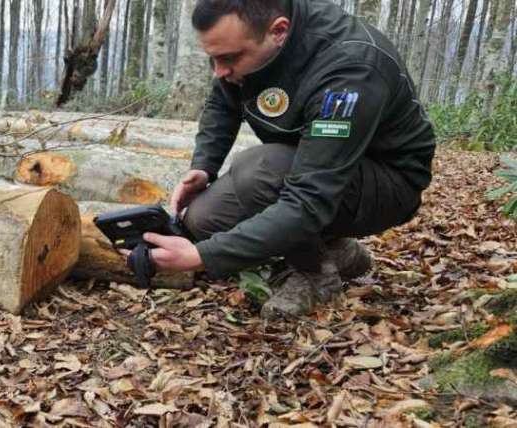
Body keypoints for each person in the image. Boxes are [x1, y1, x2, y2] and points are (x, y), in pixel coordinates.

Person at [125, 0, 436, 318]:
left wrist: (201, 257)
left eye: (229, 59)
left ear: (279, 31)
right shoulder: (251, 45)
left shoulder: (349, 69)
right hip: (311, 166)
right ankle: (339, 252)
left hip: (388, 183)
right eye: (213, 60)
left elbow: (307, 200)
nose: (220, 71)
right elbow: (223, 100)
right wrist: (203, 167)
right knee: (203, 219)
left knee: (259, 171)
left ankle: (315, 275)